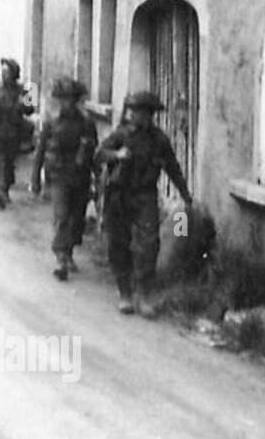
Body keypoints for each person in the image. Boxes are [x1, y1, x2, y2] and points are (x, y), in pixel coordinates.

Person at [94, 90, 193, 316]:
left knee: (149, 245)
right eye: (134, 111)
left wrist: (185, 195)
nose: (137, 115)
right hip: (119, 195)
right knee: (118, 243)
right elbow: (99, 154)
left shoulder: (159, 140)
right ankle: (125, 292)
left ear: (150, 114)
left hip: (145, 196)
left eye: (142, 112)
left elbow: (173, 168)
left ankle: (145, 293)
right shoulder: (121, 135)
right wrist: (117, 155)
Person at [30, 76, 100, 281]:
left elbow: (95, 153)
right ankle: (61, 257)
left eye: (70, 99)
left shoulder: (87, 123)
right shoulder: (51, 122)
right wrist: (35, 179)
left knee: (76, 219)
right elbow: (40, 151)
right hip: (58, 176)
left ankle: (68, 252)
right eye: (63, 99)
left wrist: (97, 180)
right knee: (61, 216)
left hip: (80, 176)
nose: (66, 103)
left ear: (76, 100)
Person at [0, 58, 34, 209]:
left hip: (14, 132)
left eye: (7, 72)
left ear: (14, 74)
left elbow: (30, 109)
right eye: (2, 71)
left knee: (9, 164)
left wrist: (24, 103)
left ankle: (4, 189)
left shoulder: (23, 90)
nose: (4, 74)